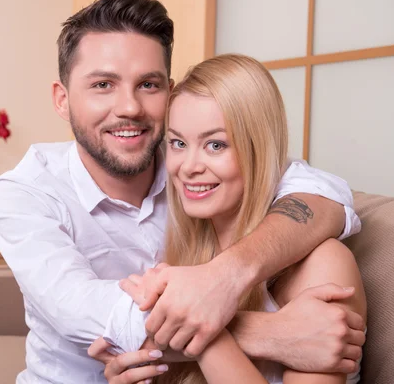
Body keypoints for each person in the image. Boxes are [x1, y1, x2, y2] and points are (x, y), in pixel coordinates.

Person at [0, 0, 364, 383]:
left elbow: (324, 195)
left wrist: (227, 275)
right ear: (62, 100)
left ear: (168, 93)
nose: (129, 107)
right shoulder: (27, 192)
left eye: (148, 85)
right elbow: (88, 314)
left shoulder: (191, 171)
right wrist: (275, 334)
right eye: (103, 84)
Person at [89, 54, 367, 383]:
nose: (188, 166)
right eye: (178, 143)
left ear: (258, 148)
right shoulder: (189, 255)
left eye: (215, 145)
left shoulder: (323, 264)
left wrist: (201, 327)